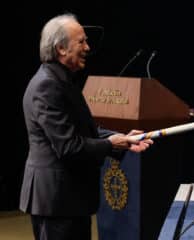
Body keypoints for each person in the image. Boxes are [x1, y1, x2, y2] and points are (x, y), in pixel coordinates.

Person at [19, 13, 153, 240]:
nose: (88, 47)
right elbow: (69, 146)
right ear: (61, 49)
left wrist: (122, 138)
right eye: (81, 41)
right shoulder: (47, 86)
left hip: (69, 200)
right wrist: (112, 143)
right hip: (57, 202)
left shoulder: (62, 81)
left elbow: (85, 130)